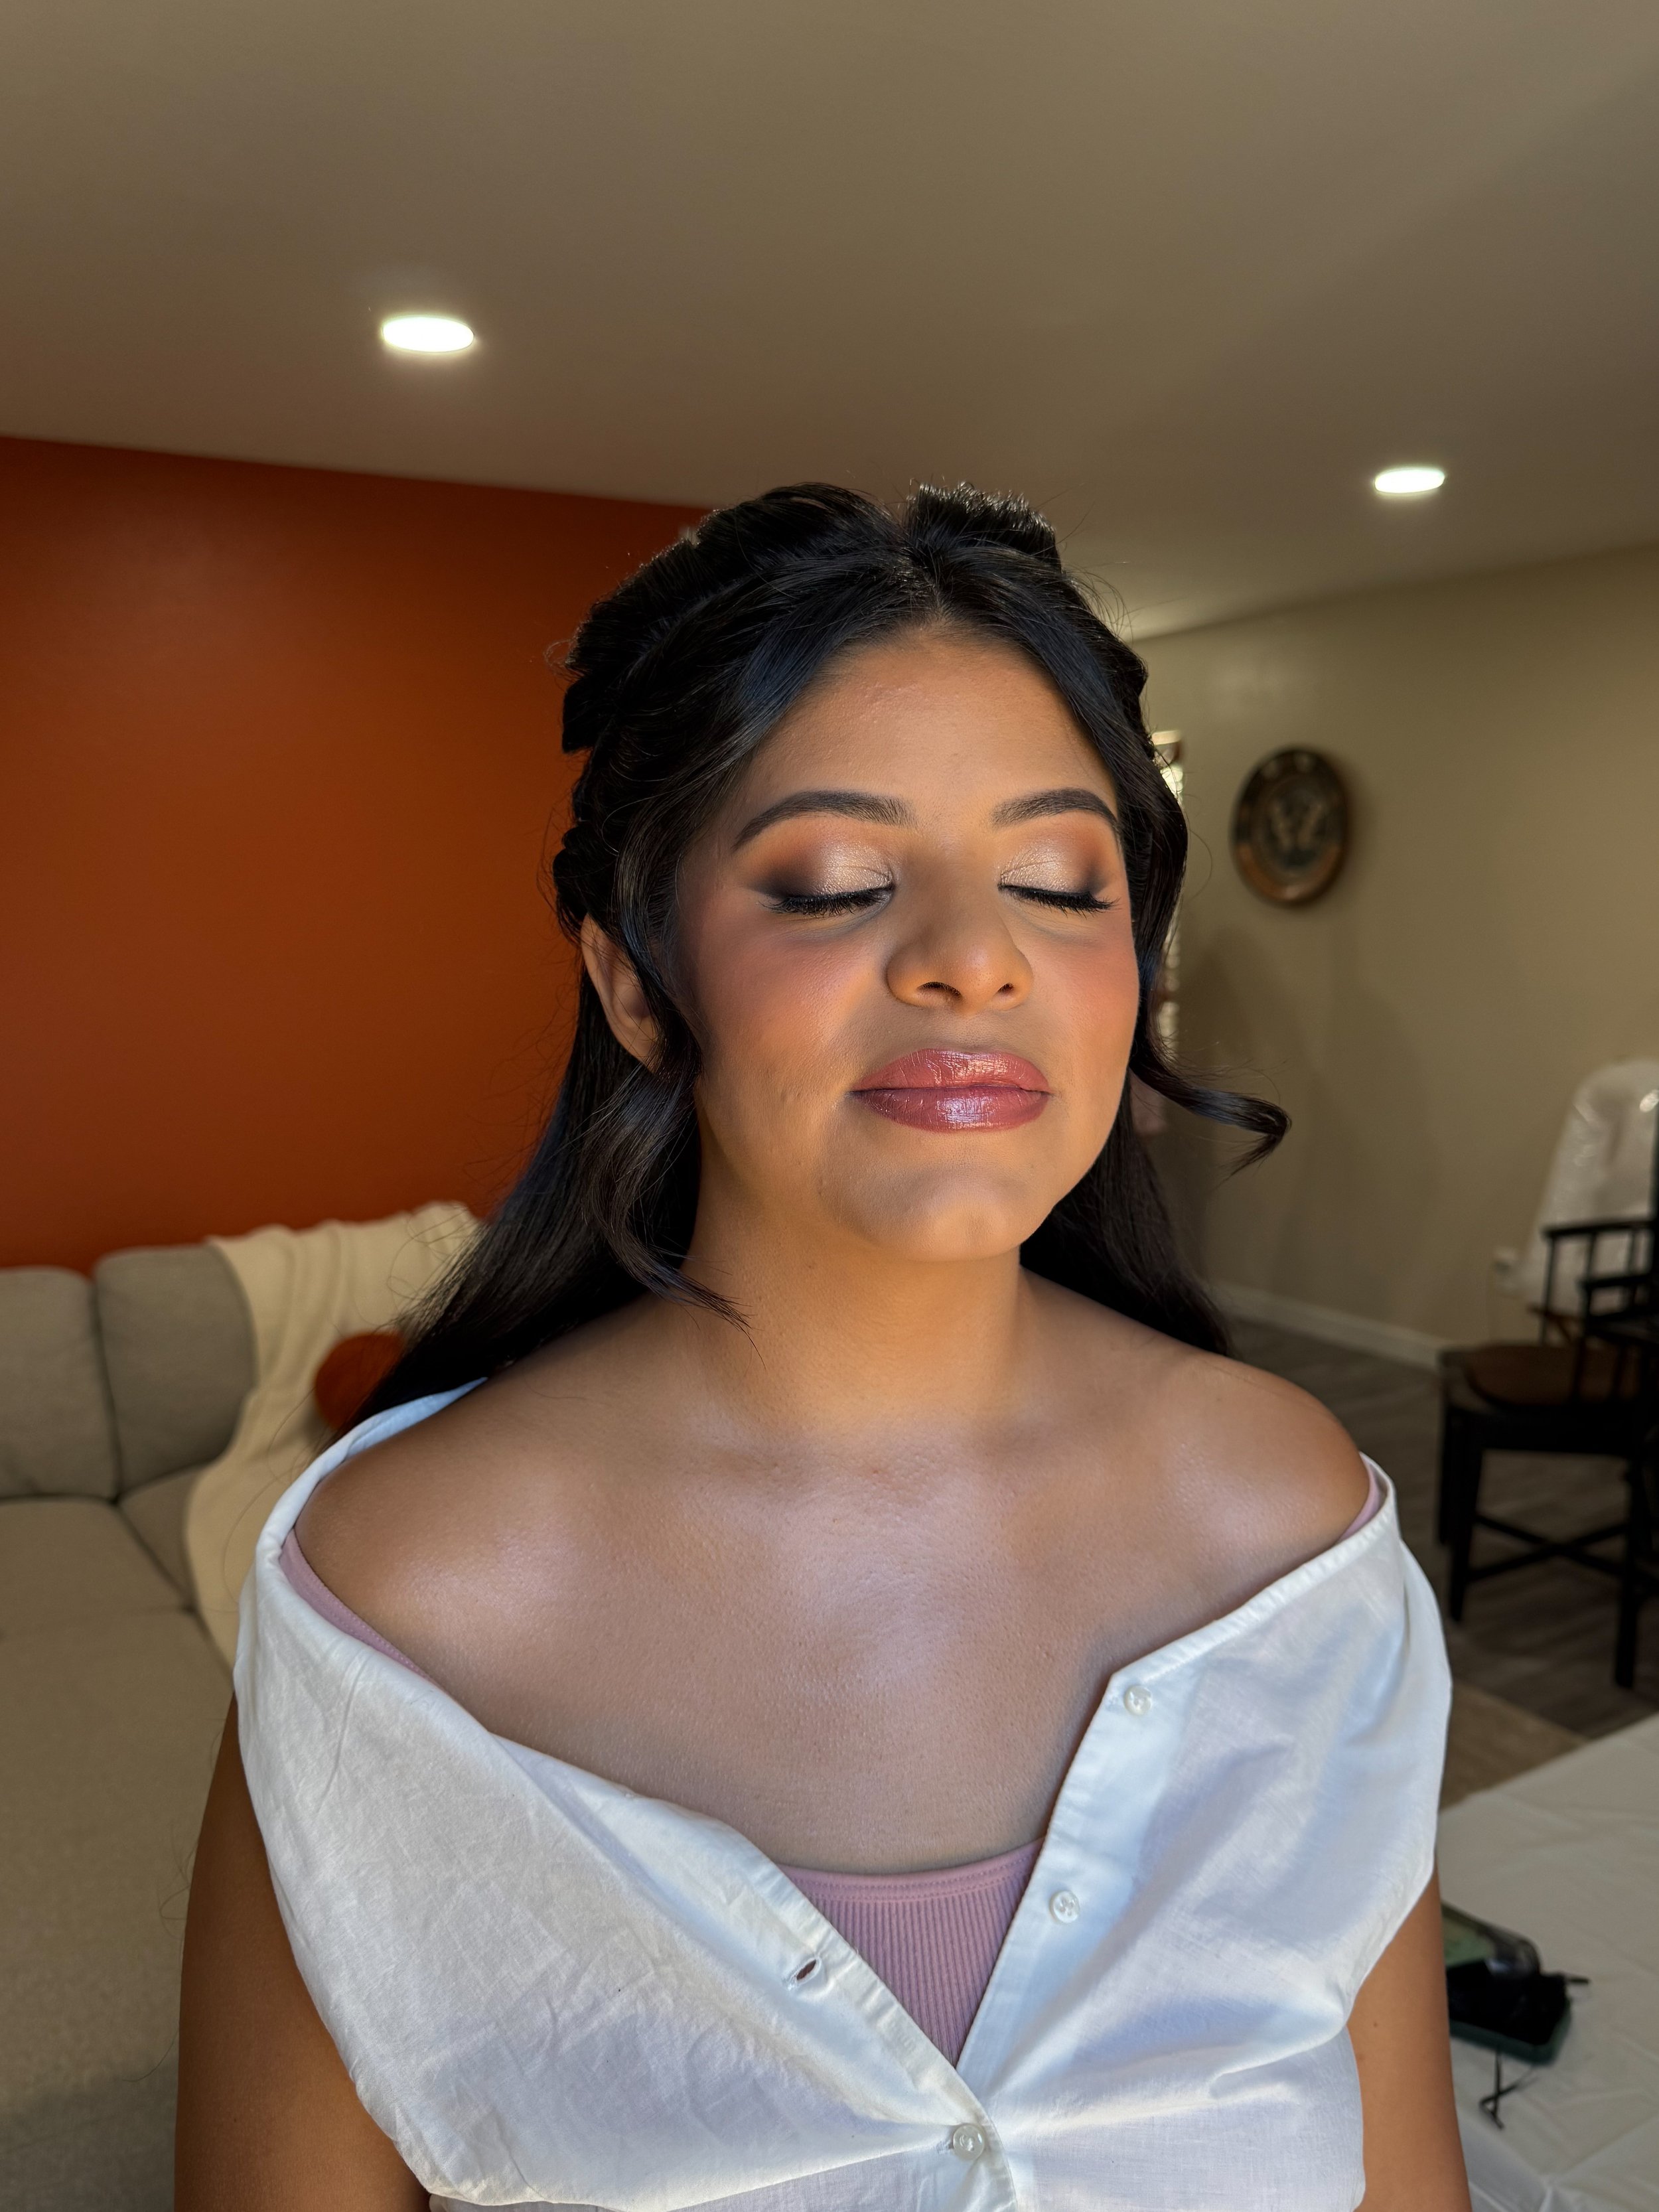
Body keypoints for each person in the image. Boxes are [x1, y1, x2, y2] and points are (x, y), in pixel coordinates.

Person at [177, 484, 1465, 2211]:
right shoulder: (402, 1599)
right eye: (838, 879)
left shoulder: (1288, 1525)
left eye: (1051, 879)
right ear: (633, 981)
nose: (969, 958)